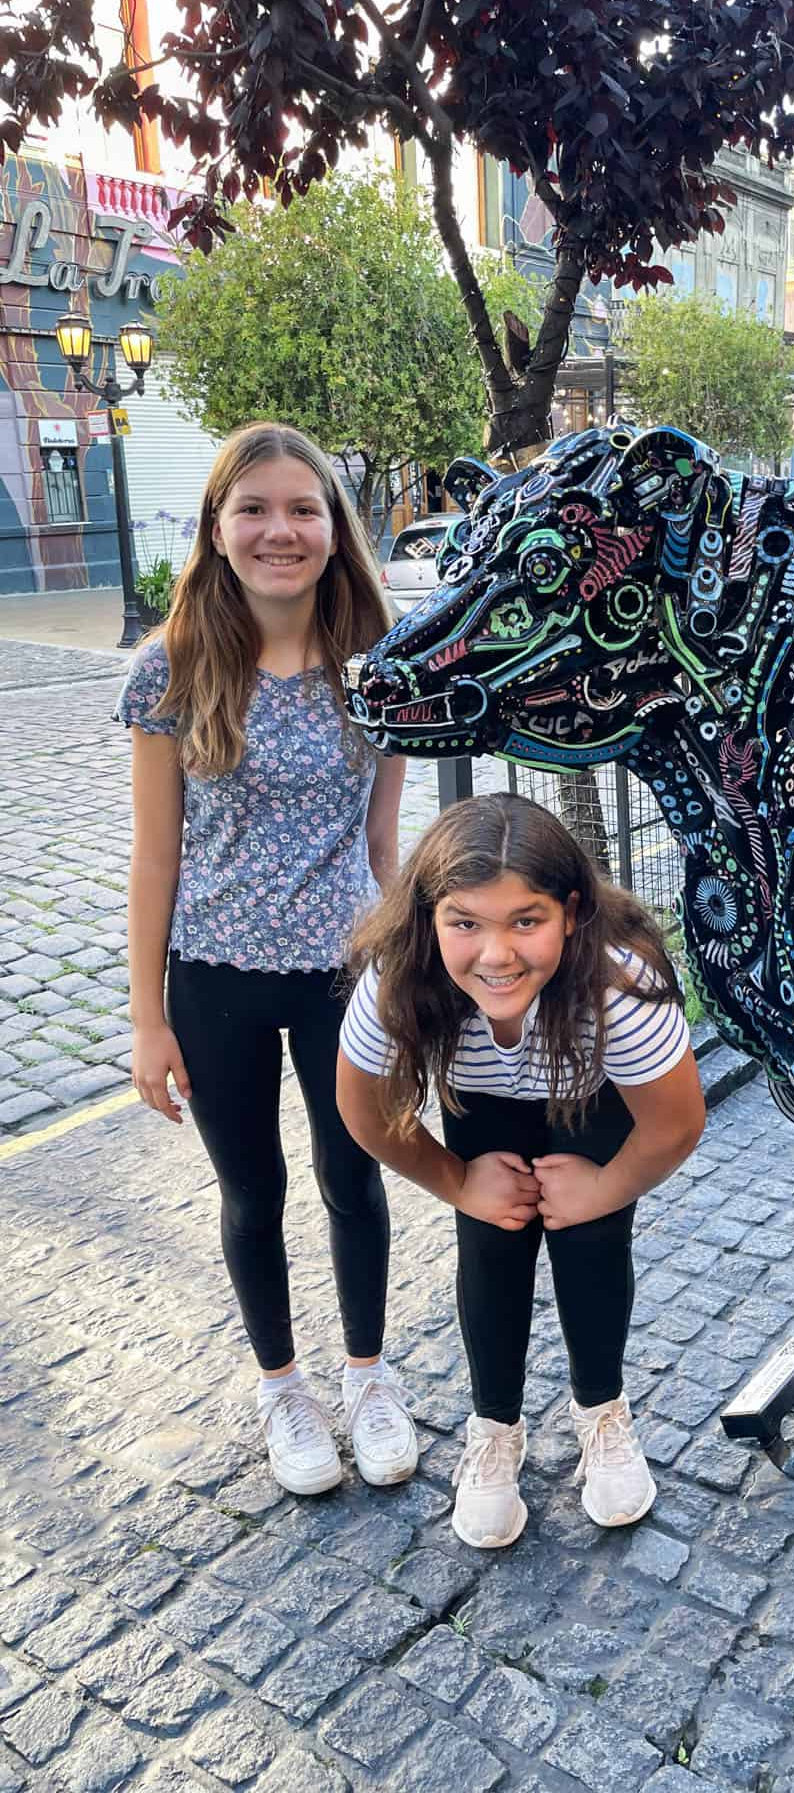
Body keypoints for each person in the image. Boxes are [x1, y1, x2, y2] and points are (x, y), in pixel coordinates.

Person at [116, 421, 414, 1499]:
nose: (278, 529)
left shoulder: (379, 667)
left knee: (355, 1178)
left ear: (336, 531)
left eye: (302, 508)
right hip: (214, 979)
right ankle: (283, 1388)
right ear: (217, 526)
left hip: (345, 977)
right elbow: (156, 860)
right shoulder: (174, 671)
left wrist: (410, 980)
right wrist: (148, 1018)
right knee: (253, 1189)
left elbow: (384, 847)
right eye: (254, 508)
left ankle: (369, 1378)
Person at [336, 792, 706, 1548]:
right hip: (486, 1102)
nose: (497, 955)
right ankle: (494, 1427)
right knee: (491, 1242)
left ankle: (602, 1412)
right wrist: (456, 1181)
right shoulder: (397, 977)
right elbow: (366, 1114)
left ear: (570, 913)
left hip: (592, 1098)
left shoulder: (618, 986)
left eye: (526, 921)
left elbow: (674, 1123)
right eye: (465, 922)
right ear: (429, 917)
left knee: (594, 1240)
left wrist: (603, 1185)